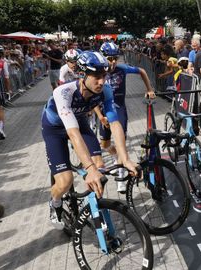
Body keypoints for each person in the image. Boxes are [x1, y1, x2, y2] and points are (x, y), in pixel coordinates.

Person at [42, 51, 139, 229]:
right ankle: (54, 203)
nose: (101, 81)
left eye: (103, 75)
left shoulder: (105, 90)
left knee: (99, 165)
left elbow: (115, 124)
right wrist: (89, 168)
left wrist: (124, 159)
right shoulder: (63, 92)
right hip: (55, 129)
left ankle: (97, 208)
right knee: (65, 181)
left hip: (79, 122)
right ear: (81, 74)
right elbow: (73, 134)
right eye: (96, 76)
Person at [97, 42, 156, 193]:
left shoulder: (122, 69)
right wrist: (99, 116)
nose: (113, 61)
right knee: (105, 145)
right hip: (103, 112)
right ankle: (118, 156)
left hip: (119, 110)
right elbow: (91, 97)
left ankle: (121, 176)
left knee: (120, 143)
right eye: (110, 59)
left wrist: (149, 89)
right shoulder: (97, 72)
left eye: (115, 58)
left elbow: (142, 70)